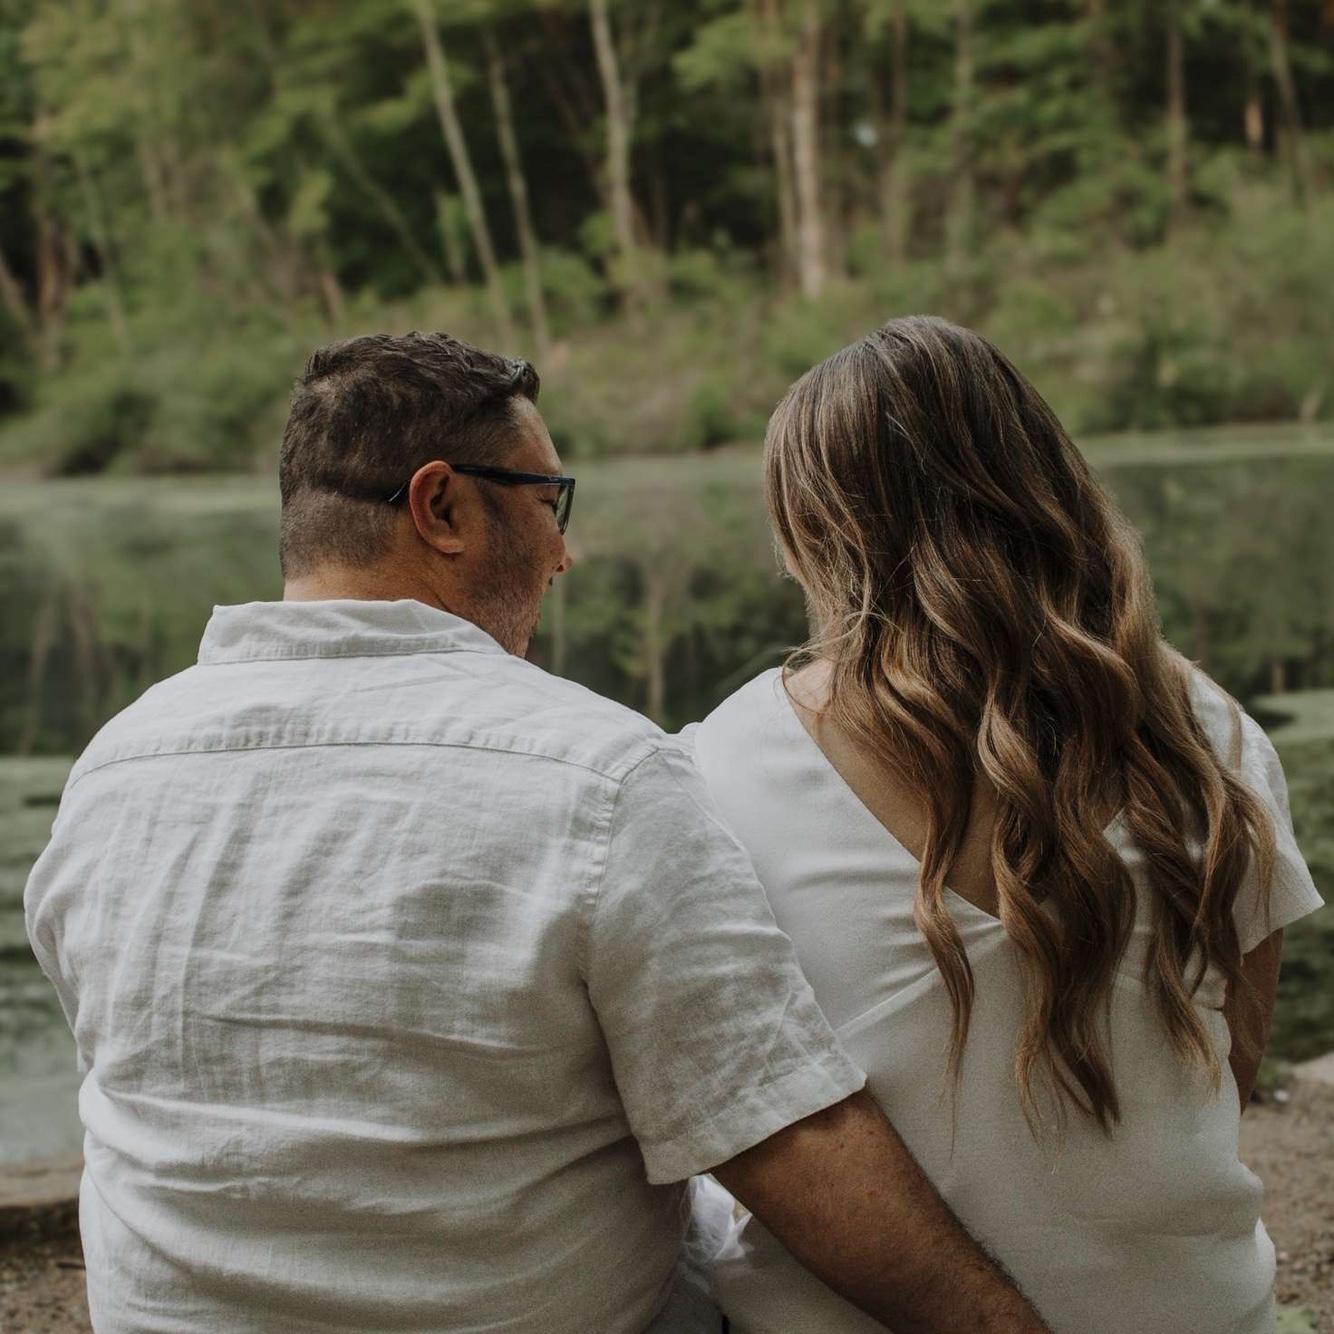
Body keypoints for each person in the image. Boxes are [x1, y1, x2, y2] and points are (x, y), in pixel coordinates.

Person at [24, 331, 1047, 1334]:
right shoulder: (597, 772)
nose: (565, 552)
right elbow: (785, 1141)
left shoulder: (113, 768)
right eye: (548, 501)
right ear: (441, 506)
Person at [689, 316, 1325, 1334]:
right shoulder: (1207, 730)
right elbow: (1230, 1060)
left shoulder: (717, 764)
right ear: (1043, 483)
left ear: (811, 528)